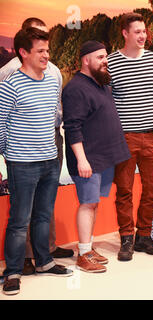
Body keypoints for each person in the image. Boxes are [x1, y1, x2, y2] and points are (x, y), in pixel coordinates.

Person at [0, 27, 73, 296]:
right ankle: (13, 272)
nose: (47, 55)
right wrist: (9, 153)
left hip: (50, 160)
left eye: (48, 50)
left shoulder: (53, 80)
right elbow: (1, 124)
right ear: (23, 53)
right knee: (20, 220)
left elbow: (55, 117)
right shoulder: (10, 85)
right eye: (40, 51)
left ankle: (44, 262)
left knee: (43, 215)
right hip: (21, 164)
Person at [62, 41, 131, 273]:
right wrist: (81, 159)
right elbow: (72, 127)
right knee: (87, 204)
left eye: (106, 57)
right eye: (100, 57)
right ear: (86, 60)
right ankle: (82, 255)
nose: (105, 61)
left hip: (104, 158)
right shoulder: (75, 89)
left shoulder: (100, 84)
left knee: (94, 204)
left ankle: (88, 248)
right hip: (88, 159)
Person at [108, 12, 153, 261]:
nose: (143, 36)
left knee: (152, 188)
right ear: (125, 33)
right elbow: (106, 101)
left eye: (144, 31)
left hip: (151, 135)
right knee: (124, 190)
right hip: (124, 138)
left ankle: (144, 235)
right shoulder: (111, 62)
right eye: (137, 32)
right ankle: (126, 239)